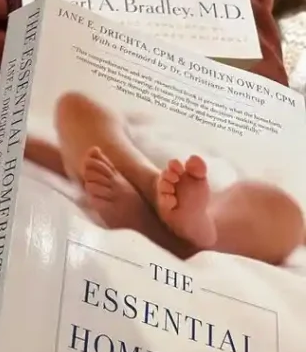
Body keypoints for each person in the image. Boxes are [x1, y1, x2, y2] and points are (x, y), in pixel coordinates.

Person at [24, 91, 306, 267]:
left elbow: (79, 166)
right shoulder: (141, 115)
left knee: (282, 209)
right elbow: (80, 161)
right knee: (74, 104)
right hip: (131, 159)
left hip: (206, 199)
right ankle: (150, 187)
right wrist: (17, 142)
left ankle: (192, 231)